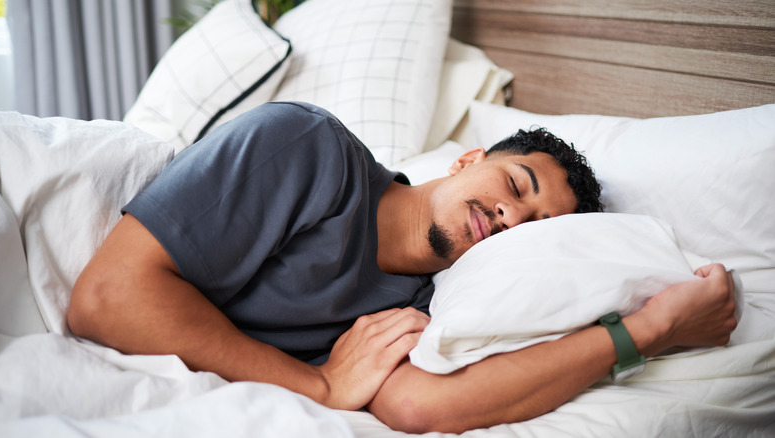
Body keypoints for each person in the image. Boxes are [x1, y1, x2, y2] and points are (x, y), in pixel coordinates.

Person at [67, 102, 737, 433]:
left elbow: (418, 403)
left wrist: (647, 331)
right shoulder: (308, 148)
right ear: (468, 159)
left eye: (534, 230)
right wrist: (318, 386)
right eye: (517, 185)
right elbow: (105, 297)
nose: (511, 216)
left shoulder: (430, 304)